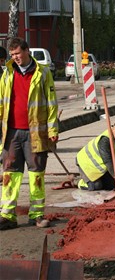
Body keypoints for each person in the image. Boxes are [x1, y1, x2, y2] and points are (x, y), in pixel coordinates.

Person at [0, 37, 59, 230]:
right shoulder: (7, 73)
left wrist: (52, 129)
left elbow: (51, 103)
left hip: (35, 133)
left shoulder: (42, 73)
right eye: (12, 55)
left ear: (26, 51)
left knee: (36, 174)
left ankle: (37, 215)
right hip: (12, 134)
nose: (15, 57)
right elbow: (1, 101)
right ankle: (7, 215)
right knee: (10, 174)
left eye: (17, 53)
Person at [76, 120, 115, 192]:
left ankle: (102, 180)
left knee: (111, 185)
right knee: (97, 186)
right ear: (112, 129)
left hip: (100, 168)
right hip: (86, 164)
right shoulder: (105, 140)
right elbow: (108, 161)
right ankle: (79, 182)